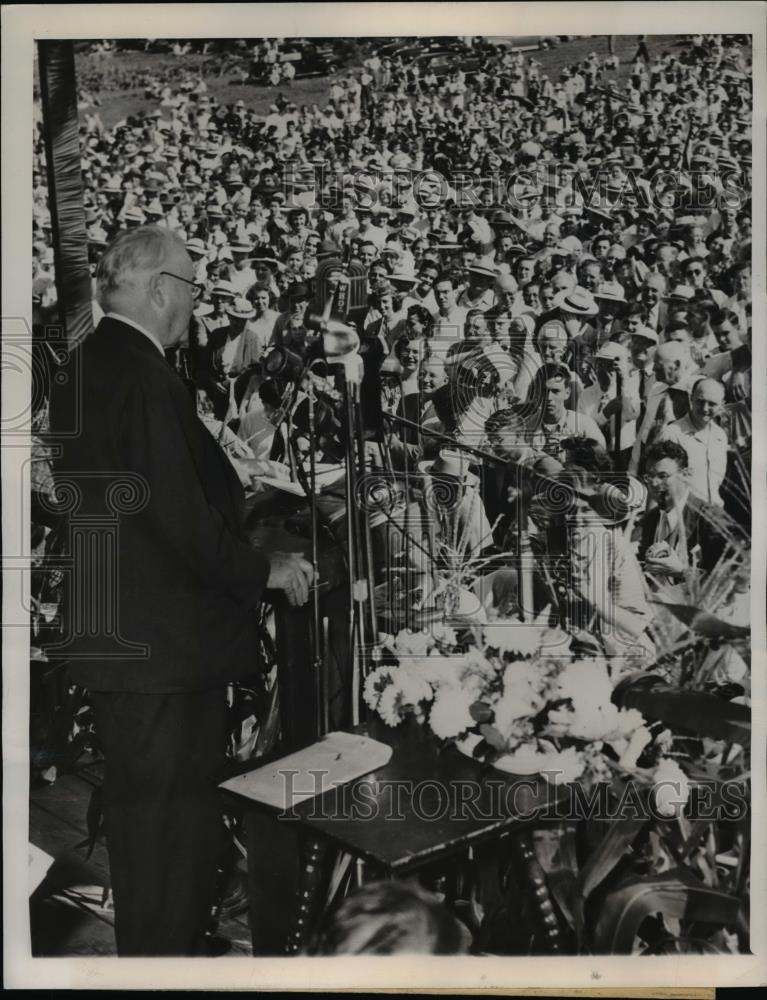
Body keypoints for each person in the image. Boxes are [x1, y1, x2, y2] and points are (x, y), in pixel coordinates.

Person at [47, 227, 314, 956]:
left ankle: (152, 952)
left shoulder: (84, 365)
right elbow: (176, 517)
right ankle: (162, 964)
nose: (196, 305)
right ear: (162, 288)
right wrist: (265, 570)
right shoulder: (143, 374)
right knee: (169, 836)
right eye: (193, 288)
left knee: (144, 835)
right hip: (161, 651)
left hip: (116, 636)